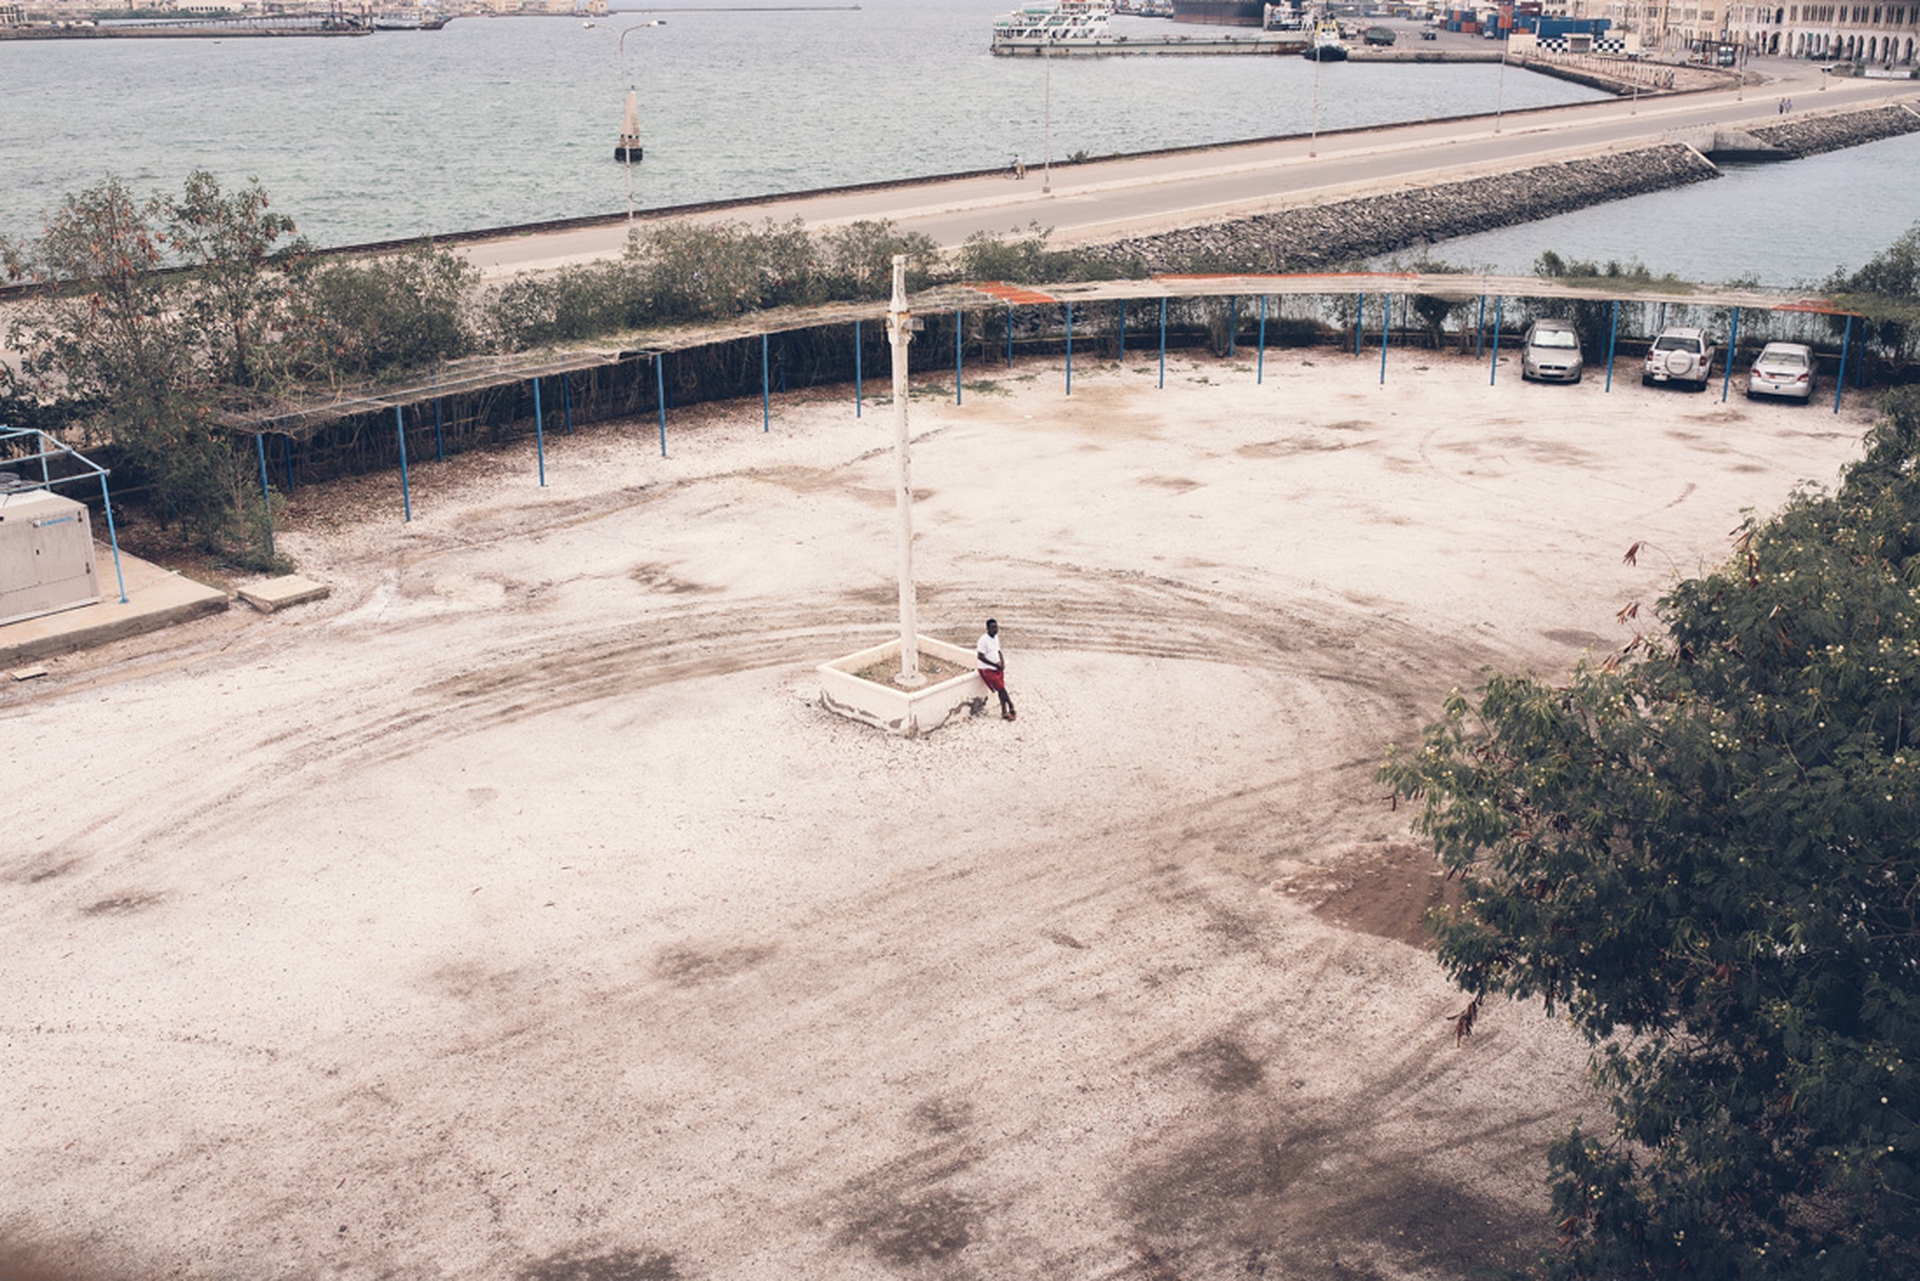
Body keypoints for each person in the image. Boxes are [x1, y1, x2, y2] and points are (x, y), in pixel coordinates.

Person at [977, 618, 1016, 721]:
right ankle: (1011, 705)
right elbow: (980, 656)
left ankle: (1004, 711)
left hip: (998, 667)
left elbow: (998, 651)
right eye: (993, 627)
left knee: (1000, 689)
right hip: (987, 669)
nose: (995, 629)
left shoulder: (996, 638)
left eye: (996, 627)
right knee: (1001, 688)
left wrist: (1002, 663)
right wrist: (994, 664)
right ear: (987, 628)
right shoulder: (983, 640)